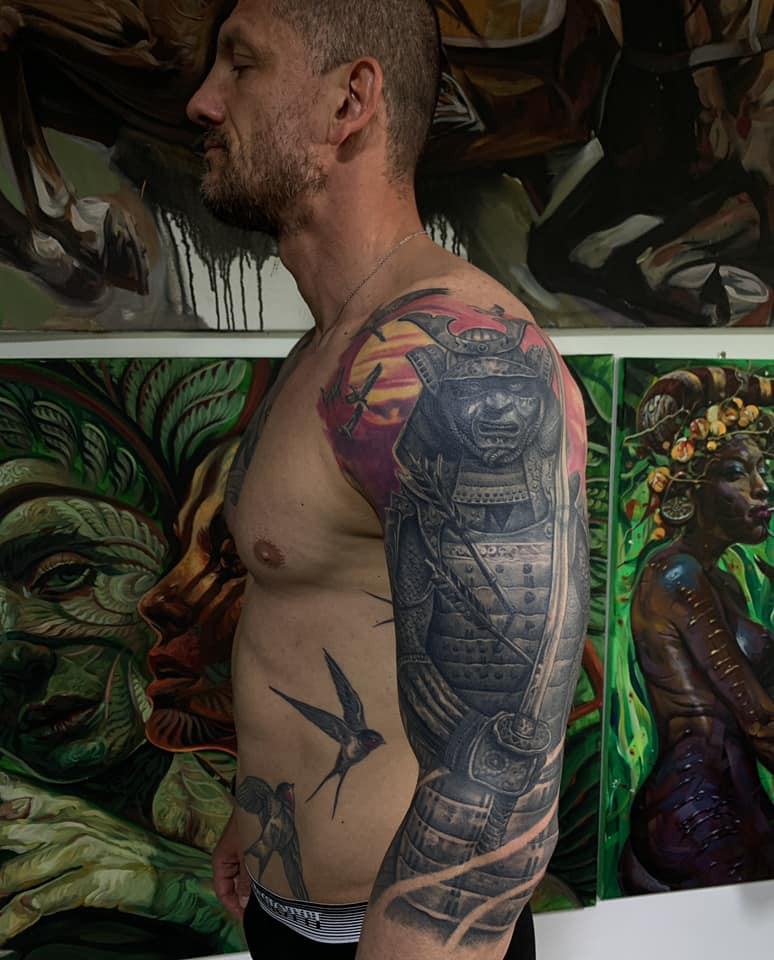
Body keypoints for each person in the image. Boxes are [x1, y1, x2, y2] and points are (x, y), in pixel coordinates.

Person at [186, 2, 589, 957]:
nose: (202, 101)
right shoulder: (328, 346)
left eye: (241, 64)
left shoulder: (463, 370)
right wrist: (262, 816)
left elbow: (498, 788)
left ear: (351, 101)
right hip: (293, 912)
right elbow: (317, 618)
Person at [621, 366, 774, 892]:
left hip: (737, 802)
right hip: (696, 813)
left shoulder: (722, 581)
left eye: (762, 469)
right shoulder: (677, 576)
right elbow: (759, 721)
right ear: (691, 487)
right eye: (736, 472)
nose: (762, 488)